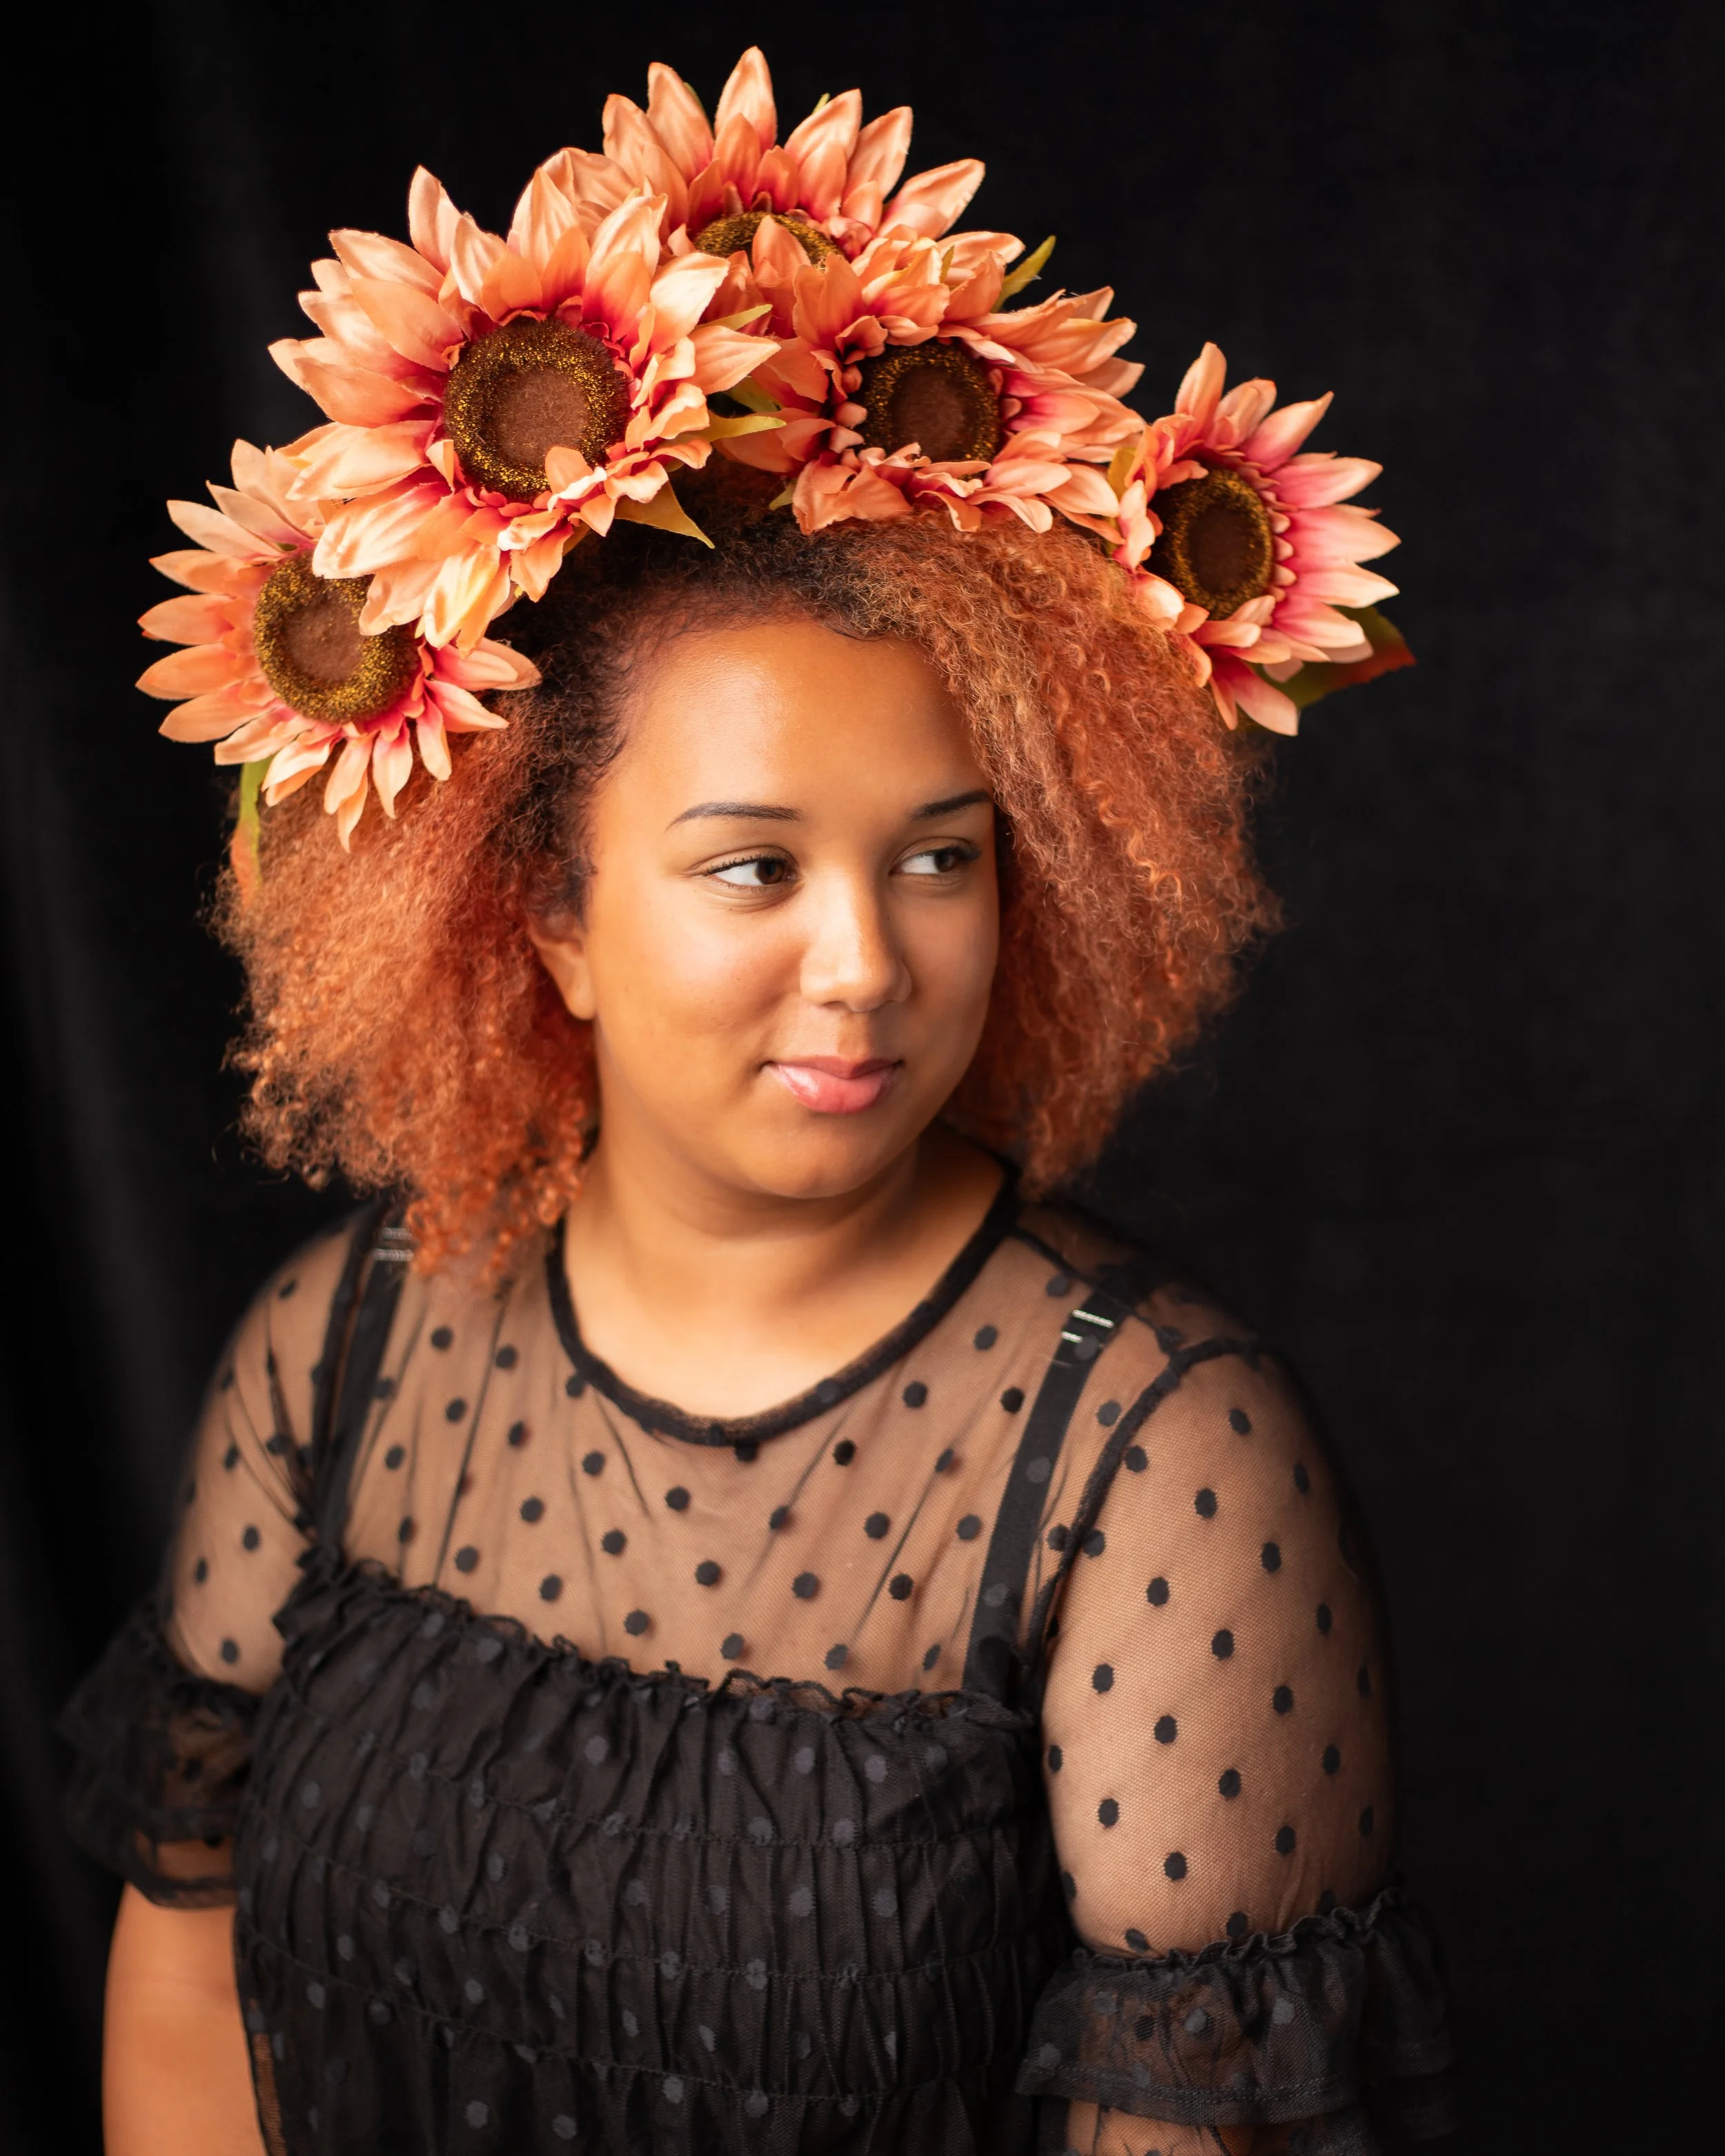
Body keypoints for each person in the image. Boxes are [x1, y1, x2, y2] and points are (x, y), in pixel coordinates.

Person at [65, 48, 1452, 2156]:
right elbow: (187, 1955)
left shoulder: (1155, 1466)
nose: (868, 961)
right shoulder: (338, 1348)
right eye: (750, 865)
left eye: (939, 852)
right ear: (538, 921)